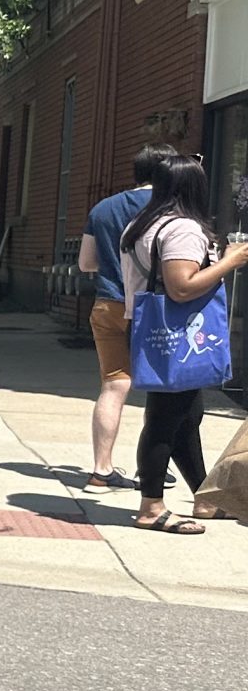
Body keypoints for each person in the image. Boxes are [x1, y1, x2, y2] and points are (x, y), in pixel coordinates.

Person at [118, 152, 248, 534]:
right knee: (164, 420)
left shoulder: (141, 225)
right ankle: (151, 507)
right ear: (195, 187)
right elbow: (181, 287)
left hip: (150, 330)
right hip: (175, 335)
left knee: (187, 419)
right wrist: (230, 260)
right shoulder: (182, 229)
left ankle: (205, 498)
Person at [78, 146, 169, 491]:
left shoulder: (103, 208)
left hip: (107, 303)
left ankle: (101, 470)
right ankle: (155, 463)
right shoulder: (168, 209)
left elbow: (86, 263)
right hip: (152, 309)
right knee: (165, 390)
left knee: (114, 385)